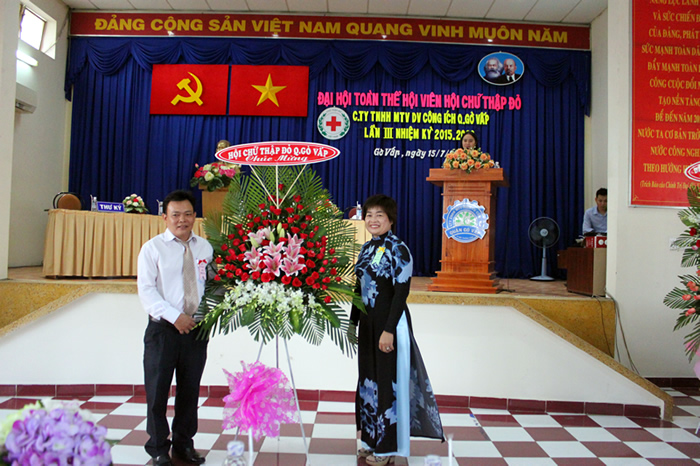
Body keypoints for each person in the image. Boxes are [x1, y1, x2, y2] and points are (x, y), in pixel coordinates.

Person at [349, 195, 444, 466]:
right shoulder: (366, 249)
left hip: (389, 325)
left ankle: (387, 448)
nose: (373, 220)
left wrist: (388, 330)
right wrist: (353, 323)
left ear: (390, 219)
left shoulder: (399, 249)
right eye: (369, 215)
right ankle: (370, 441)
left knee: (387, 384)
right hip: (368, 325)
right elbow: (359, 288)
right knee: (368, 383)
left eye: (379, 215)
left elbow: (401, 293)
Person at [137, 190, 214, 466]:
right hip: (163, 331)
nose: (182, 220)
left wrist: (203, 315)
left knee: (189, 391)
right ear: (165, 217)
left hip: (196, 330)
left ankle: (184, 444)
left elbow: (212, 285)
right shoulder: (152, 249)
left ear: (195, 216)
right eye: (176, 215)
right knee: (157, 391)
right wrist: (175, 317)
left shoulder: (205, 248)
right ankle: (158, 447)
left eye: (188, 214)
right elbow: (146, 291)